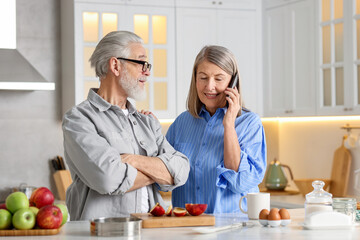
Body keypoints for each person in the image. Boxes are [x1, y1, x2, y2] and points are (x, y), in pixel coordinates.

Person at [62, 31, 190, 220]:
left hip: (150, 232)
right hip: (102, 234)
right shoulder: (79, 119)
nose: (147, 72)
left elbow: (182, 170)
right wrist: (160, 171)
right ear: (115, 65)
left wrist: (133, 160)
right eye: (141, 63)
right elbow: (108, 179)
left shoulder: (147, 122)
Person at [166, 45, 266, 214]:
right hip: (185, 228)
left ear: (232, 83)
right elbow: (163, 178)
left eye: (219, 79)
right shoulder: (181, 122)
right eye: (203, 77)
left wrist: (229, 126)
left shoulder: (250, 124)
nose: (209, 86)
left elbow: (240, 182)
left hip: (232, 229)